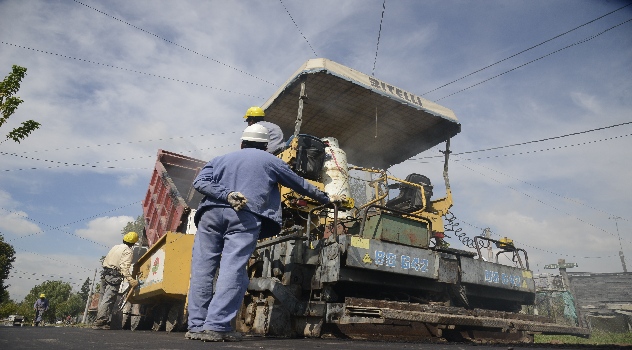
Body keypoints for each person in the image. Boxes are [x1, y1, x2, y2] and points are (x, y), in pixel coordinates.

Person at [185, 124, 340, 342]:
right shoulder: (270, 161)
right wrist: (327, 198)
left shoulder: (219, 159)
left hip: (209, 215)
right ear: (266, 146)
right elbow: (300, 184)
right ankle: (216, 326)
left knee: (202, 270)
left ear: (241, 143)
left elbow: (199, 182)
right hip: (244, 214)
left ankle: (196, 326)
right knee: (233, 267)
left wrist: (226, 193)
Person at [92, 231, 140, 330]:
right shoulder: (128, 251)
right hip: (113, 276)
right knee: (108, 299)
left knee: (103, 298)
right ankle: (100, 322)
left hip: (105, 274)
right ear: (133, 243)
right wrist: (131, 279)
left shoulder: (115, 247)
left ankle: (101, 320)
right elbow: (124, 267)